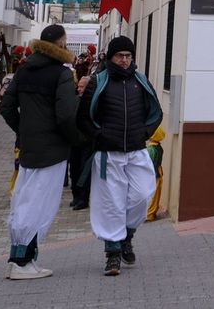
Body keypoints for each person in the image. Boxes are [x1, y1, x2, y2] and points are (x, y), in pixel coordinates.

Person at [0, 24, 82, 280]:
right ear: (59, 45)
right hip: (53, 150)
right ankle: (22, 262)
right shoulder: (61, 74)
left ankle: (21, 258)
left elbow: (6, 107)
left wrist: (23, 131)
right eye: (65, 42)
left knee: (24, 200)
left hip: (29, 148)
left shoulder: (23, 72)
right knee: (41, 204)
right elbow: (67, 115)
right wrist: (77, 139)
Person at [77, 36, 163, 276]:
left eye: (128, 56)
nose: (125, 60)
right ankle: (113, 253)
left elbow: (156, 111)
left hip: (136, 150)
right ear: (111, 57)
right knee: (111, 204)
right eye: (120, 56)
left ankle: (127, 234)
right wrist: (99, 136)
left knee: (143, 194)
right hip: (108, 155)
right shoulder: (98, 81)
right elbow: (82, 118)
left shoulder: (140, 80)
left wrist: (144, 132)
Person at [68, 56, 94, 211]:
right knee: (74, 170)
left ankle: (83, 198)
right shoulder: (75, 100)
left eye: (82, 87)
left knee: (85, 171)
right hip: (75, 141)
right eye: (79, 86)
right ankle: (75, 196)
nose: (79, 89)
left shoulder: (92, 102)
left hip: (87, 142)